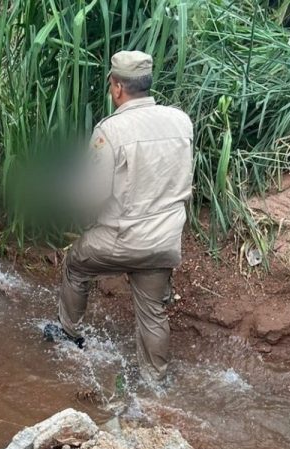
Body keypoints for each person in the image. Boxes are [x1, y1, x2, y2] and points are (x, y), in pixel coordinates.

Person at [44, 50, 194, 383]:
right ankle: (156, 382)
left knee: (77, 264)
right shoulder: (181, 121)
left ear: (117, 87)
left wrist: (61, 191)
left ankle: (68, 333)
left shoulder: (110, 130)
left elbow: (91, 194)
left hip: (122, 238)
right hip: (165, 241)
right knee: (153, 312)